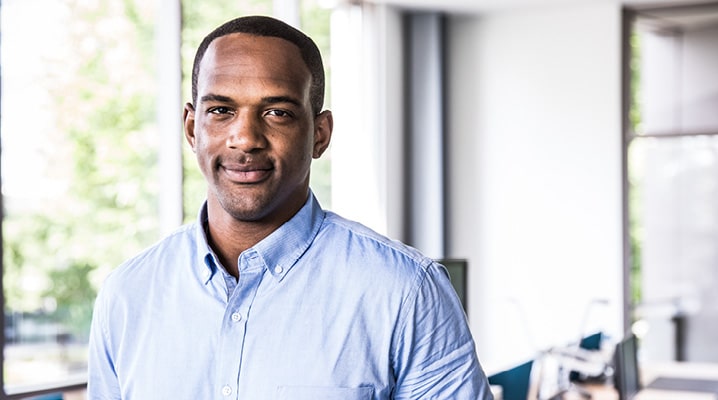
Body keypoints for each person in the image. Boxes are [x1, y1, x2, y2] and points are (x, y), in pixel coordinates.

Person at [87, 15, 493, 399]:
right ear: (193, 129)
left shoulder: (406, 291)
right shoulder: (127, 295)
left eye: (276, 113)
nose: (245, 138)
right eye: (221, 111)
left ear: (320, 134)